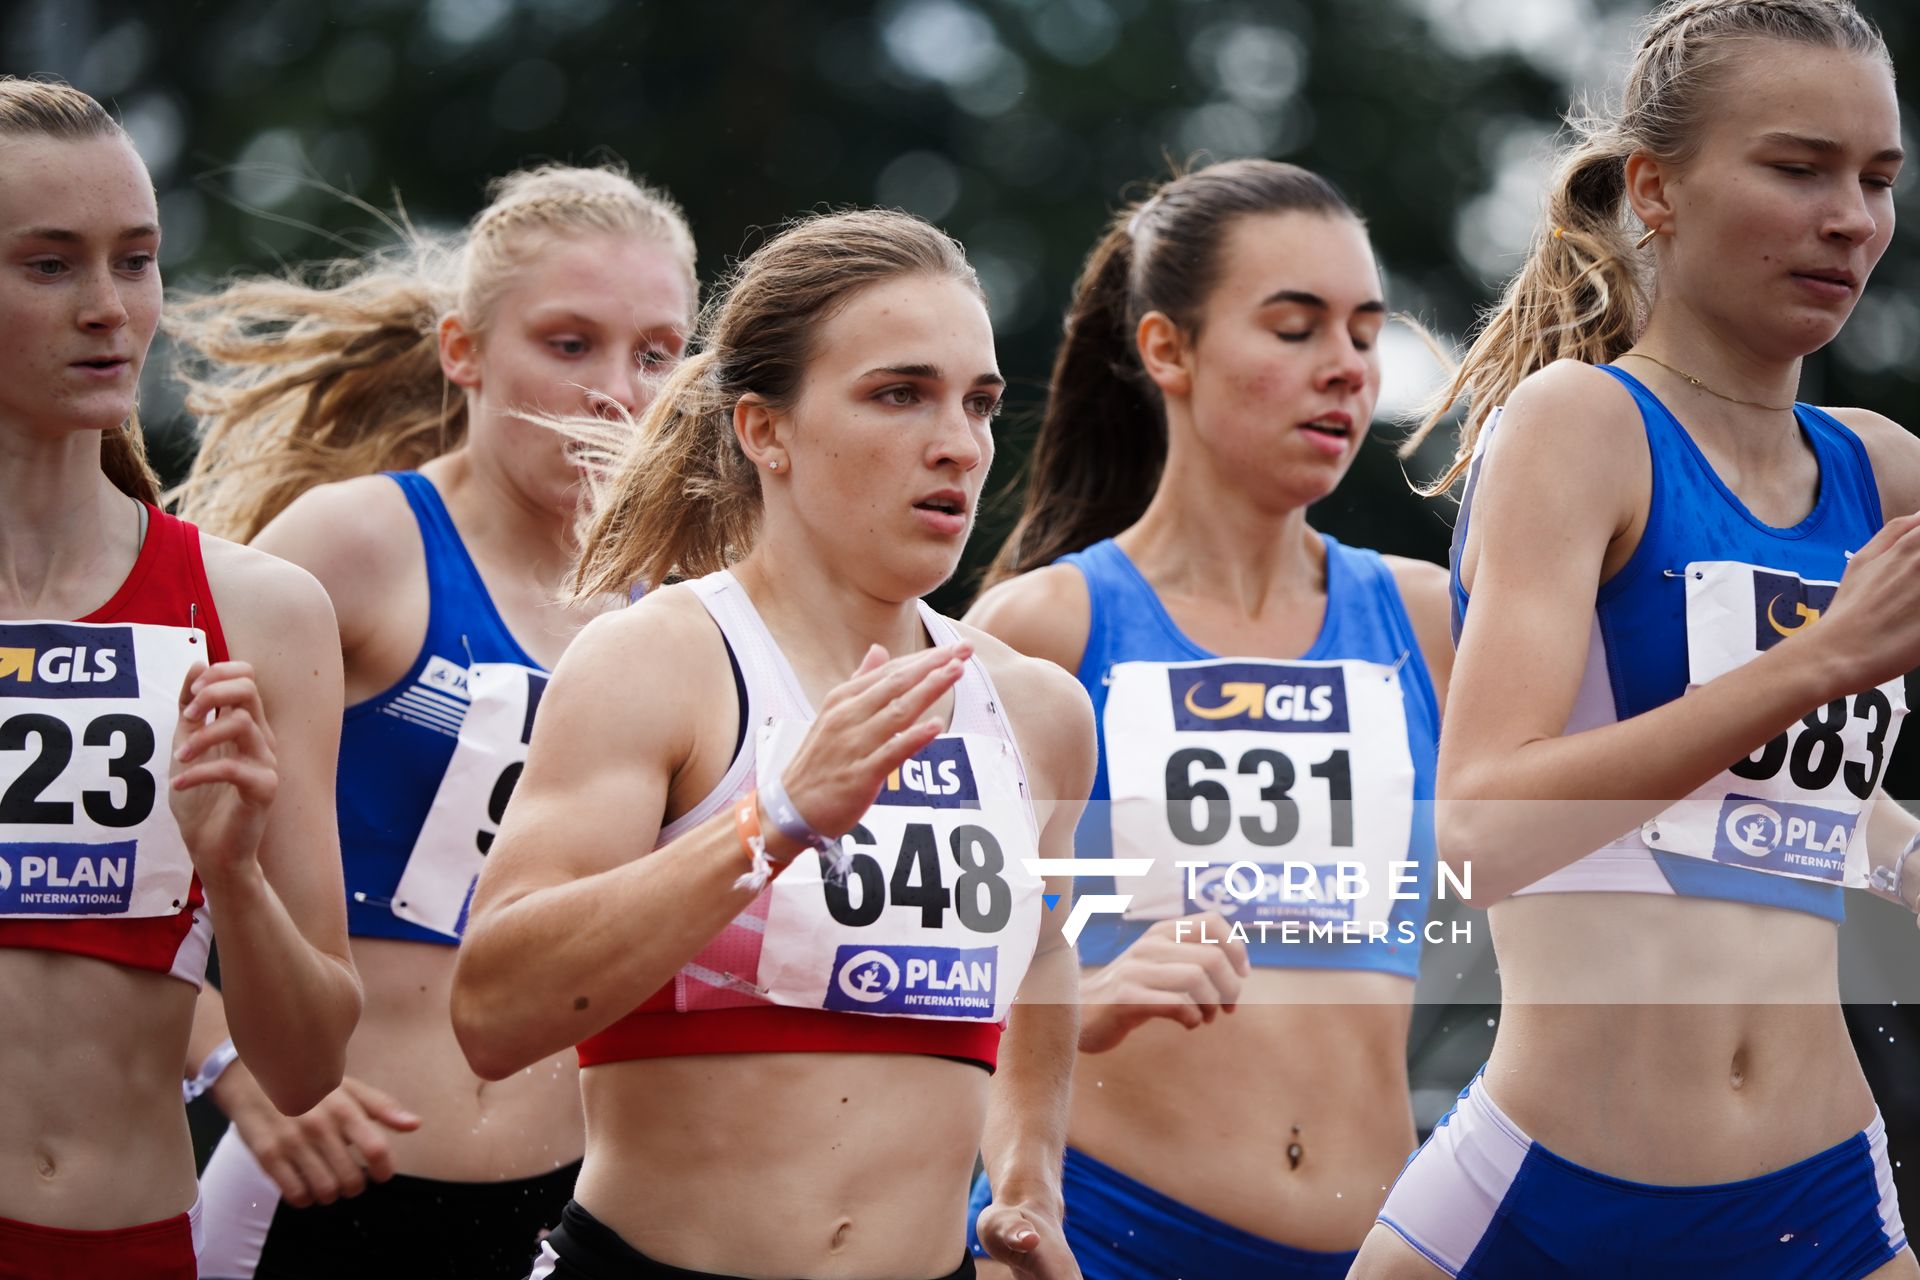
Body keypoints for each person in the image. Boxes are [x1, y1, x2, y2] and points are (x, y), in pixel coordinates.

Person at [1351, 1, 1920, 1276]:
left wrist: (1903, 853)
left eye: (1877, 178)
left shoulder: (1884, 471)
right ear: (1656, 188)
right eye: (1798, 167)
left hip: (1822, 1202)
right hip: (1550, 1202)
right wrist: (1821, 658)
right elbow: (1484, 826)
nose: (1852, 218)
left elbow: (1793, 797)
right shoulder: (1582, 426)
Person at [449, 207, 1094, 1280]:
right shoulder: (658, 662)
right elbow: (494, 1011)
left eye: (978, 403)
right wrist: (775, 820)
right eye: (901, 394)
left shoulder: (1035, 710)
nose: (959, 443)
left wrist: (1027, 1181)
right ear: (765, 429)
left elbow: (1043, 949)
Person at [170, 164, 698, 1278]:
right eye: (570, 344)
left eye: (656, 352)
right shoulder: (356, 545)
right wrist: (225, 1062)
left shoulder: (689, 611)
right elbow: (107, 837)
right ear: (465, 351)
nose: (618, 391)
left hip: (573, 1214)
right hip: (326, 1188)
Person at [962, 158, 1452, 1279]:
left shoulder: (1432, 622)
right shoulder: (1047, 625)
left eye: (1367, 333)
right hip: (1104, 1232)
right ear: (1166, 349)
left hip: (1378, 1248)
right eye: (1294, 328)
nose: (1346, 368)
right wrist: (1075, 996)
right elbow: (906, 958)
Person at [0, 77, 360, 1279]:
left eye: (137, 260)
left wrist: (235, 871)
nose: (111, 309)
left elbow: (309, 1063)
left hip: (132, 1242)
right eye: (50, 264)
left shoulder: (261, 611)